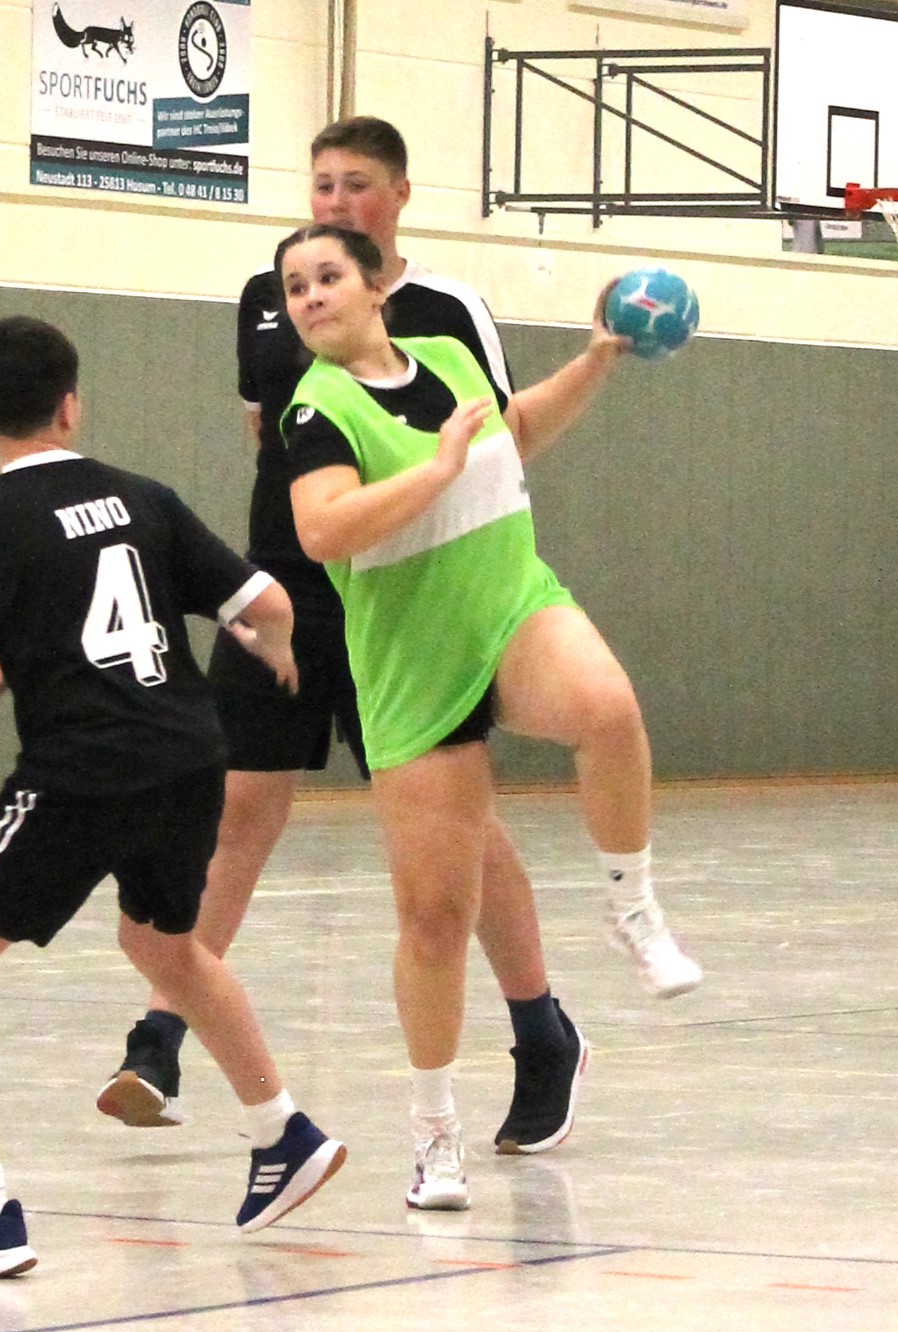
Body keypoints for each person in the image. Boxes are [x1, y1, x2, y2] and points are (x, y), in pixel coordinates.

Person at [101, 115, 636, 1165]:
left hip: (411, 599)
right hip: (287, 585)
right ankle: (162, 1037)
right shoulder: (268, 297)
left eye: (354, 184)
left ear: (396, 196)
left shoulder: (445, 313)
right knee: (235, 810)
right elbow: (274, 434)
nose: (334, 201)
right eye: (321, 184)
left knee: (464, 834)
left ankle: (541, 1030)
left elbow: (499, 446)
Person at [0, 316, 346, 1277]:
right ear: (71, 405)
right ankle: (282, 1131)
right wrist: (281, 653)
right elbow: (269, 603)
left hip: (84, 771)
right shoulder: (142, 498)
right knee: (166, 945)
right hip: (191, 755)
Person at [271, 224, 702, 1211]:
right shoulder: (317, 408)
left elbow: (515, 430)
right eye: (295, 287)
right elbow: (322, 528)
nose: (311, 296)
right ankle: (434, 1134)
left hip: (510, 604)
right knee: (435, 919)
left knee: (608, 708)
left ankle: (633, 907)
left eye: (327, 276)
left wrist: (593, 361)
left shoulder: (449, 355)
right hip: (412, 664)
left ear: (374, 288)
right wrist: (435, 469)